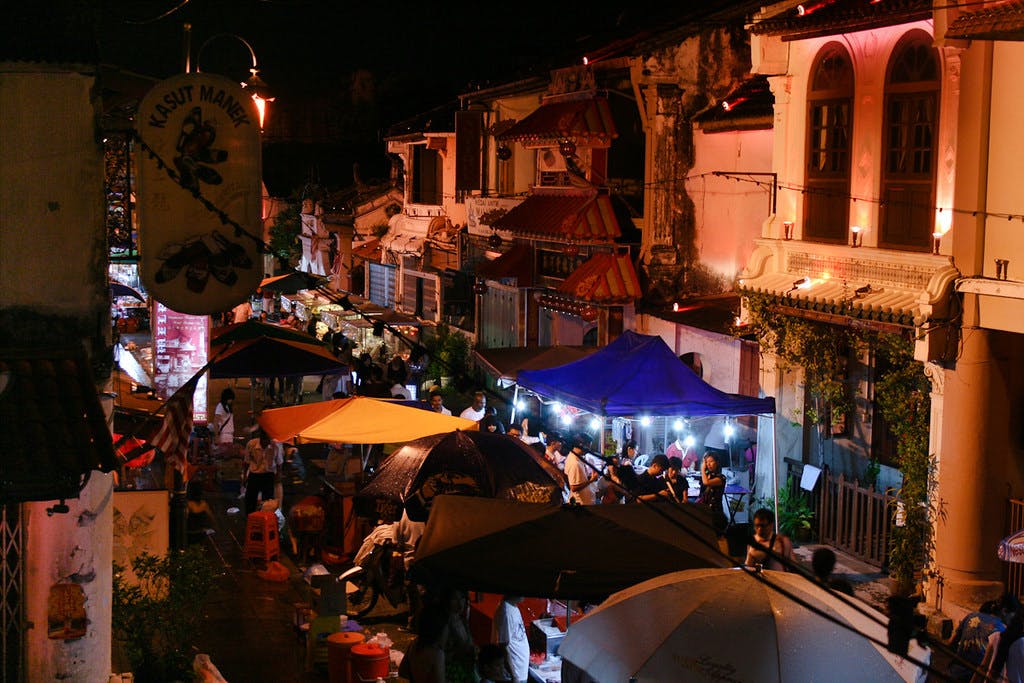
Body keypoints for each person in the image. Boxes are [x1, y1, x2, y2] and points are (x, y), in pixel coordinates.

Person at [949, 596, 1011, 682]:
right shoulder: (1002, 629)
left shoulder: (970, 616)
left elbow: (951, 642)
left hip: (958, 670)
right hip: (979, 675)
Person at [398, 601, 449, 683]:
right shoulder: (437, 654)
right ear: (440, 630)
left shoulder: (415, 643)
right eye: (447, 628)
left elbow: (402, 671)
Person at [491, 595, 529, 683]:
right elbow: (503, 646)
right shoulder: (506, 612)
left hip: (520, 670)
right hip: (514, 674)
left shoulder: (512, 606)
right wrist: (514, 675)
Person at [243, 431, 281, 516]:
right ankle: (250, 518)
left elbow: (279, 463)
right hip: (254, 474)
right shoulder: (251, 444)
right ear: (260, 438)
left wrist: (278, 476)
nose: (266, 443)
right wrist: (244, 476)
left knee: (268, 501)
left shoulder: (276, 445)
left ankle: (266, 518)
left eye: (268, 440)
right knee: (250, 499)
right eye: (264, 440)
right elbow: (246, 462)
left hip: (268, 475)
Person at [698, 450, 728, 533]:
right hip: (704, 508)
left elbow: (706, 483)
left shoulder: (721, 477)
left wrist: (702, 469)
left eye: (711, 461)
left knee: (714, 533)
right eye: (706, 462)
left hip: (715, 510)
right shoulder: (706, 476)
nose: (708, 464)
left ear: (717, 463)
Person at [564, 434, 600, 505]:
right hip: (581, 503)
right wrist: (591, 480)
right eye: (588, 446)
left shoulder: (577, 458)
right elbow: (574, 487)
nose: (589, 450)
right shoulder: (574, 463)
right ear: (581, 445)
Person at [185, 479, 215, 545]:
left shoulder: (189, 504)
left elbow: (185, 518)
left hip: (190, 532)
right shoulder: (204, 504)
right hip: (200, 531)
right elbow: (211, 517)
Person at [211, 388, 235, 457]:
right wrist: (216, 436)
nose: (231, 400)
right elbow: (215, 422)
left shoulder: (227, 407)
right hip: (223, 436)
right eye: (230, 398)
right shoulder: (220, 406)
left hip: (229, 436)